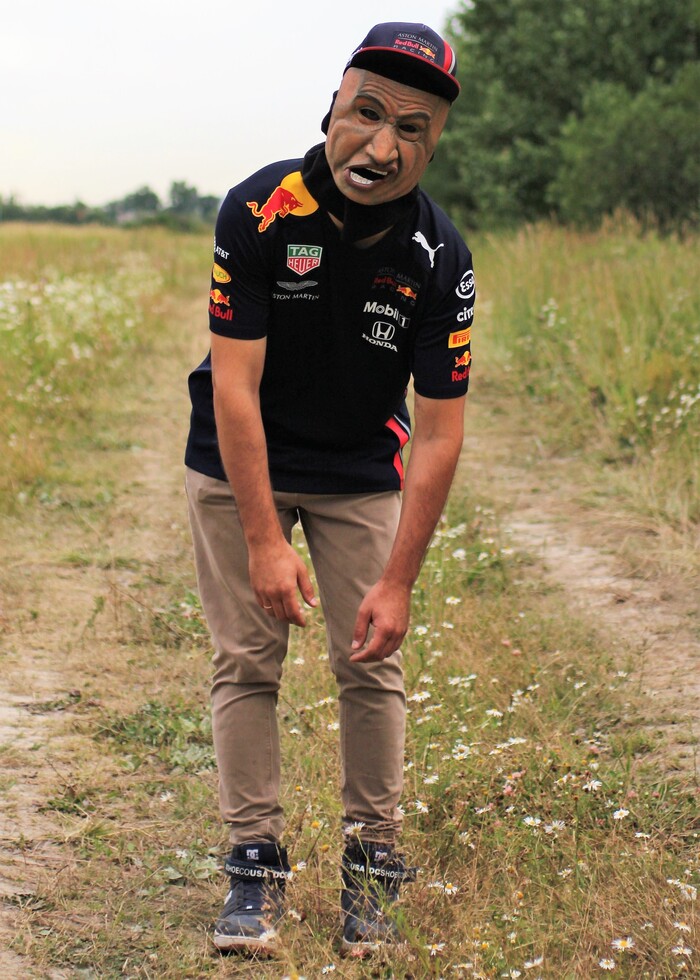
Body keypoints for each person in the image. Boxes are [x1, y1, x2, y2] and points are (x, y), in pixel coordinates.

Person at [184, 21, 474, 956]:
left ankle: (372, 867)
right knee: (247, 660)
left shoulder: (441, 256)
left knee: (372, 662)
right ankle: (253, 867)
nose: (381, 148)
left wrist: (399, 582)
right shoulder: (257, 209)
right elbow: (234, 388)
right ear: (332, 109)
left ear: (432, 147)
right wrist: (265, 541)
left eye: (411, 130)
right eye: (367, 115)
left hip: (357, 467)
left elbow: (439, 432)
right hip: (242, 457)